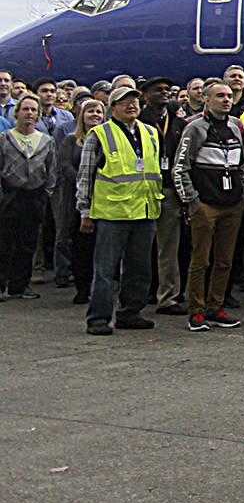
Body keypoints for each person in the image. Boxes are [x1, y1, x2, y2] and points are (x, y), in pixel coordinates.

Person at [75, 86, 162, 334]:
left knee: (139, 269)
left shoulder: (150, 132)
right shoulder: (99, 134)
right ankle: (98, 318)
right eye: (124, 102)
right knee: (104, 270)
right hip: (112, 213)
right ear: (112, 108)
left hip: (145, 211)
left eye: (135, 101)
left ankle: (130, 313)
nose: (132, 105)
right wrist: (84, 211)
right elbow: (85, 175)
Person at [171, 81, 244, 330]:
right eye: (220, 96)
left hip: (232, 204)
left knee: (224, 260)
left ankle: (216, 306)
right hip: (205, 204)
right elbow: (180, 167)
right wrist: (192, 200)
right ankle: (196, 310)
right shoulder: (195, 128)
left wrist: (241, 191)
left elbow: (243, 163)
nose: (226, 100)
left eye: (229, 96)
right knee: (200, 260)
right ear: (206, 100)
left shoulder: (235, 127)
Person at [139, 77, 189, 315]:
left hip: (169, 189)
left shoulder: (178, 123)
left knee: (169, 247)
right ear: (145, 95)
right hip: (141, 190)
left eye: (167, 89)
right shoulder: (138, 122)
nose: (164, 93)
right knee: (139, 245)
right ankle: (139, 293)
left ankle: (168, 297)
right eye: (158, 90)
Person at [0, 96, 56, 300]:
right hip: (9, 195)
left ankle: (20, 285)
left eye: (33, 110)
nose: (29, 113)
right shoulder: (5, 138)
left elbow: (52, 171)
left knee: (28, 243)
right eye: (25, 109)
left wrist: (46, 195)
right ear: (17, 113)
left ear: (38, 115)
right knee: (4, 242)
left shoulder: (46, 141)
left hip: (35, 197)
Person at [57, 98, 105, 305]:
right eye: (90, 111)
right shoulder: (71, 140)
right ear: (81, 116)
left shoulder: (108, 140)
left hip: (103, 198)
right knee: (80, 244)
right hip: (76, 197)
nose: (95, 115)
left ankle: (98, 286)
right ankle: (82, 287)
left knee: (99, 246)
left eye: (99, 112)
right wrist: (84, 180)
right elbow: (64, 165)